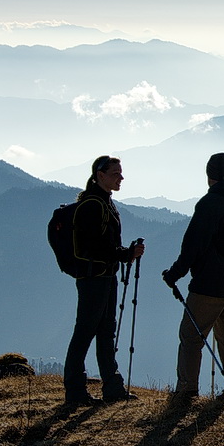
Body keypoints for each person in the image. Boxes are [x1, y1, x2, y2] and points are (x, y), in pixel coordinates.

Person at [162, 152, 224, 403]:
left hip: (208, 283)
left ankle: (187, 388)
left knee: (191, 336)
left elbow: (193, 244)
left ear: (208, 174)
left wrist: (175, 273)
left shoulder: (210, 203)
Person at [64, 155, 145, 406]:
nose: (120, 178)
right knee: (87, 332)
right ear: (100, 175)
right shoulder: (93, 205)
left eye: (120, 173)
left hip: (103, 277)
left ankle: (111, 388)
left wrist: (123, 253)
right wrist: (125, 254)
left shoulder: (104, 202)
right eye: (115, 173)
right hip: (94, 279)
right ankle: (78, 392)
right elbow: (94, 248)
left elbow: (103, 245)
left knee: (104, 332)